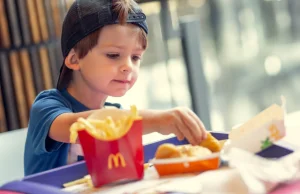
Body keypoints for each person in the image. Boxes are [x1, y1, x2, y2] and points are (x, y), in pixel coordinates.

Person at [24, 0, 207, 176]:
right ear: (74, 59)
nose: (128, 66)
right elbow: (84, 127)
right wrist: (157, 120)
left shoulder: (116, 113)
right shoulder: (47, 107)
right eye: (113, 55)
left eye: (135, 57)